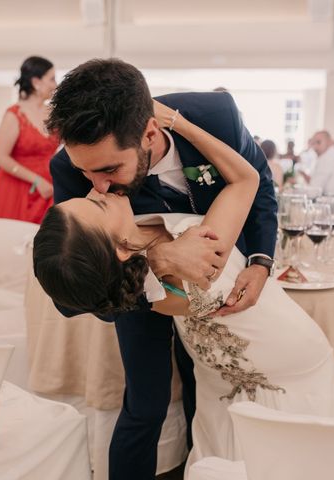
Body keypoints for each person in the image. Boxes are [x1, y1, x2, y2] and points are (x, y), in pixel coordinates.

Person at [35, 98, 334, 470]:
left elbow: (94, 277)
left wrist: (260, 261)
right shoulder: (192, 243)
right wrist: (181, 124)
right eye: (98, 205)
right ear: (118, 250)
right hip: (269, 363)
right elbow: (247, 178)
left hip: (242, 371)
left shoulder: (142, 279)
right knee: (149, 409)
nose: (96, 189)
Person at [44, 58, 279, 480]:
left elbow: (257, 181)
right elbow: (75, 296)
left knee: (205, 386)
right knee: (145, 401)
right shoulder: (71, 167)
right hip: (137, 293)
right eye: (87, 174)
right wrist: (155, 264)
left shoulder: (215, 116)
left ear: (150, 133)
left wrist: (261, 261)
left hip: (220, 276)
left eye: (110, 170)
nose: (98, 187)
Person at [0, 56, 59, 223]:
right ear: (36, 82)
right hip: (18, 188)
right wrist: (36, 180)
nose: (55, 85)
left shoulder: (53, 113)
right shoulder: (14, 114)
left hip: (50, 187)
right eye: (52, 79)